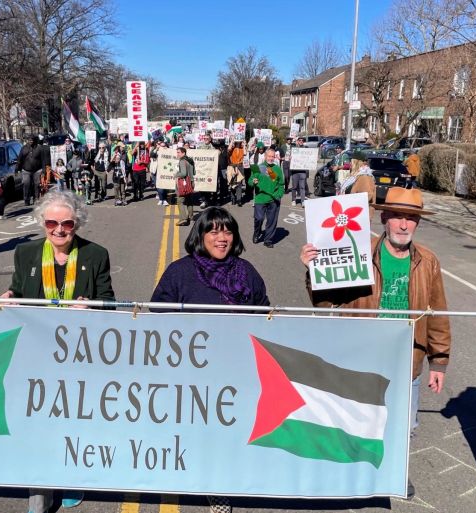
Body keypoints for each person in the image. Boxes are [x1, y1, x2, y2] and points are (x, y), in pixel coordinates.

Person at [300, 187, 451, 498]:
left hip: (407, 358)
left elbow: (436, 313)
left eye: (411, 218)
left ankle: (395, 471)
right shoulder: (359, 253)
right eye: (397, 217)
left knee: (405, 425)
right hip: (363, 357)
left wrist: (439, 361)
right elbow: (325, 303)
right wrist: (313, 270)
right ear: (384, 218)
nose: (404, 225)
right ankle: (351, 472)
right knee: (357, 419)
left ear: (418, 223)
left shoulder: (428, 262)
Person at [0, 190, 115, 513]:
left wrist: (93, 305)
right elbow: (18, 290)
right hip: (36, 352)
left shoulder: (95, 255)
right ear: (42, 223)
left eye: (67, 223)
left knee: (73, 419)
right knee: (38, 421)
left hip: (79, 352)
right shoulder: (26, 253)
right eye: (52, 223)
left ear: (77, 224)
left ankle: (72, 476)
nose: (59, 230)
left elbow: (109, 300)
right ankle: (39, 493)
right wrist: (10, 295)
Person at [151, 206, 269, 513]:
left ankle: (218, 487)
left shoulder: (246, 272)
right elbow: (157, 314)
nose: (222, 238)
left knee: (227, 432)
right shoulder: (180, 272)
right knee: (193, 430)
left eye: (227, 231)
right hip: (192, 370)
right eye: (213, 231)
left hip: (235, 369)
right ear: (200, 236)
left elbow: (265, 312)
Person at [250, 147, 284, 248]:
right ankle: (257, 233)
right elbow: (250, 181)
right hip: (260, 198)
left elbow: (281, 184)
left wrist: (279, 194)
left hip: (274, 199)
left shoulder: (277, 169)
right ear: (265, 156)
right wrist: (253, 182)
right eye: (269, 156)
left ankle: (268, 240)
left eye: (272, 156)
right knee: (259, 218)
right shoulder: (258, 167)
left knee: (272, 221)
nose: (271, 158)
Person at [17, 134, 50, 206]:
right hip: (26, 170)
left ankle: (36, 198)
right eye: (29, 140)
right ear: (27, 140)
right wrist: (17, 169)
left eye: (32, 140)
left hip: (37, 170)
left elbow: (43, 160)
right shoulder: (23, 148)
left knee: (37, 184)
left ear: (35, 140)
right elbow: (19, 159)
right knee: (26, 184)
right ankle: (26, 200)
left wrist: (44, 170)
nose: (31, 141)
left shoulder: (39, 148)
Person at [175, 146, 195, 226]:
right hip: (191, 182)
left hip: (184, 183)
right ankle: (191, 217)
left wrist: (176, 174)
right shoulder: (190, 160)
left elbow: (183, 173)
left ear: (183, 153)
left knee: (180, 201)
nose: (177, 154)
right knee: (189, 200)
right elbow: (194, 172)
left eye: (178, 152)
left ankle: (183, 219)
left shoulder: (182, 161)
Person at [288, 136, 308, 206]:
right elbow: (290, 158)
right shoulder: (294, 149)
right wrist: (290, 158)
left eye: (302, 140)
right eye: (300, 140)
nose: (301, 141)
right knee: (294, 187)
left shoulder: (306, 149)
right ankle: (293, 200)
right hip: (295, 171)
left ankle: (303, 201)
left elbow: (310, 158)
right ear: (298, 141)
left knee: (302, 187)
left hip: (302, 171)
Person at [227, 140, 245, 206]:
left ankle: (239, 200)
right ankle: (233, 198)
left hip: (240, 166)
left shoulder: (242, 148)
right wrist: (232, 140)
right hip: (232, 166)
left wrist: (244, 144)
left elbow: (245, 153)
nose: (238, 142)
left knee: (239, 183)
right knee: (232, 183)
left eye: (239, 142)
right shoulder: (232, 148)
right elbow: (229, 149)